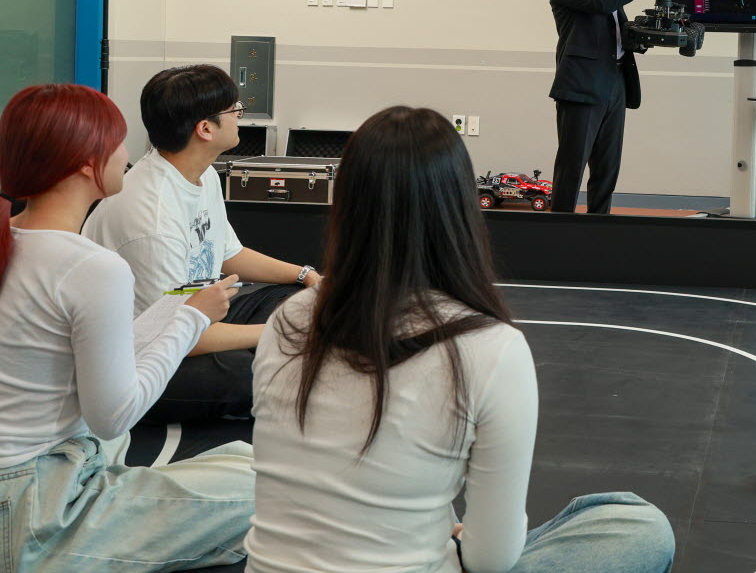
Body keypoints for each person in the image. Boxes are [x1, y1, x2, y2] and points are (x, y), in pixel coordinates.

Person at [246, 106, 676, 573]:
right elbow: (491, 559)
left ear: (346, 205)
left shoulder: (287, 319)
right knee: (639, 526)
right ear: (458, 209)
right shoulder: (492, 348)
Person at [0, 83, 253, 572]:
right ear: (84, 163)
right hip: (36, 507)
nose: (126, 154)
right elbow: (114, 416)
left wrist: (180, 310)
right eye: (117, 142)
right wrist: (192, 318)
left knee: (244, 463)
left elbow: (98, 357)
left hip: (37, 475)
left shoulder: (16, 239)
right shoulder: (91, 267)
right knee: (272, 490)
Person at [82, 64, 322, 422]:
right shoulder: (153, 219)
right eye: (234, 109)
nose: (240, 115)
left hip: (198, 310)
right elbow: (171, 332)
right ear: (205, 129)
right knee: (250, 374)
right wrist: (275, 333)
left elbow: (229, 253)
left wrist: (306, 276)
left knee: (299, 304)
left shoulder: (201, 173)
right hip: (141, 351)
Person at [547, 0, 674, 213]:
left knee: (607, 169)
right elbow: (598, 4)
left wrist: (646, 35)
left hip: (616, 80)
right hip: (582, 84)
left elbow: (612, 24)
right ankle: (557, 231)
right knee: (572, 167)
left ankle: (599, 230)